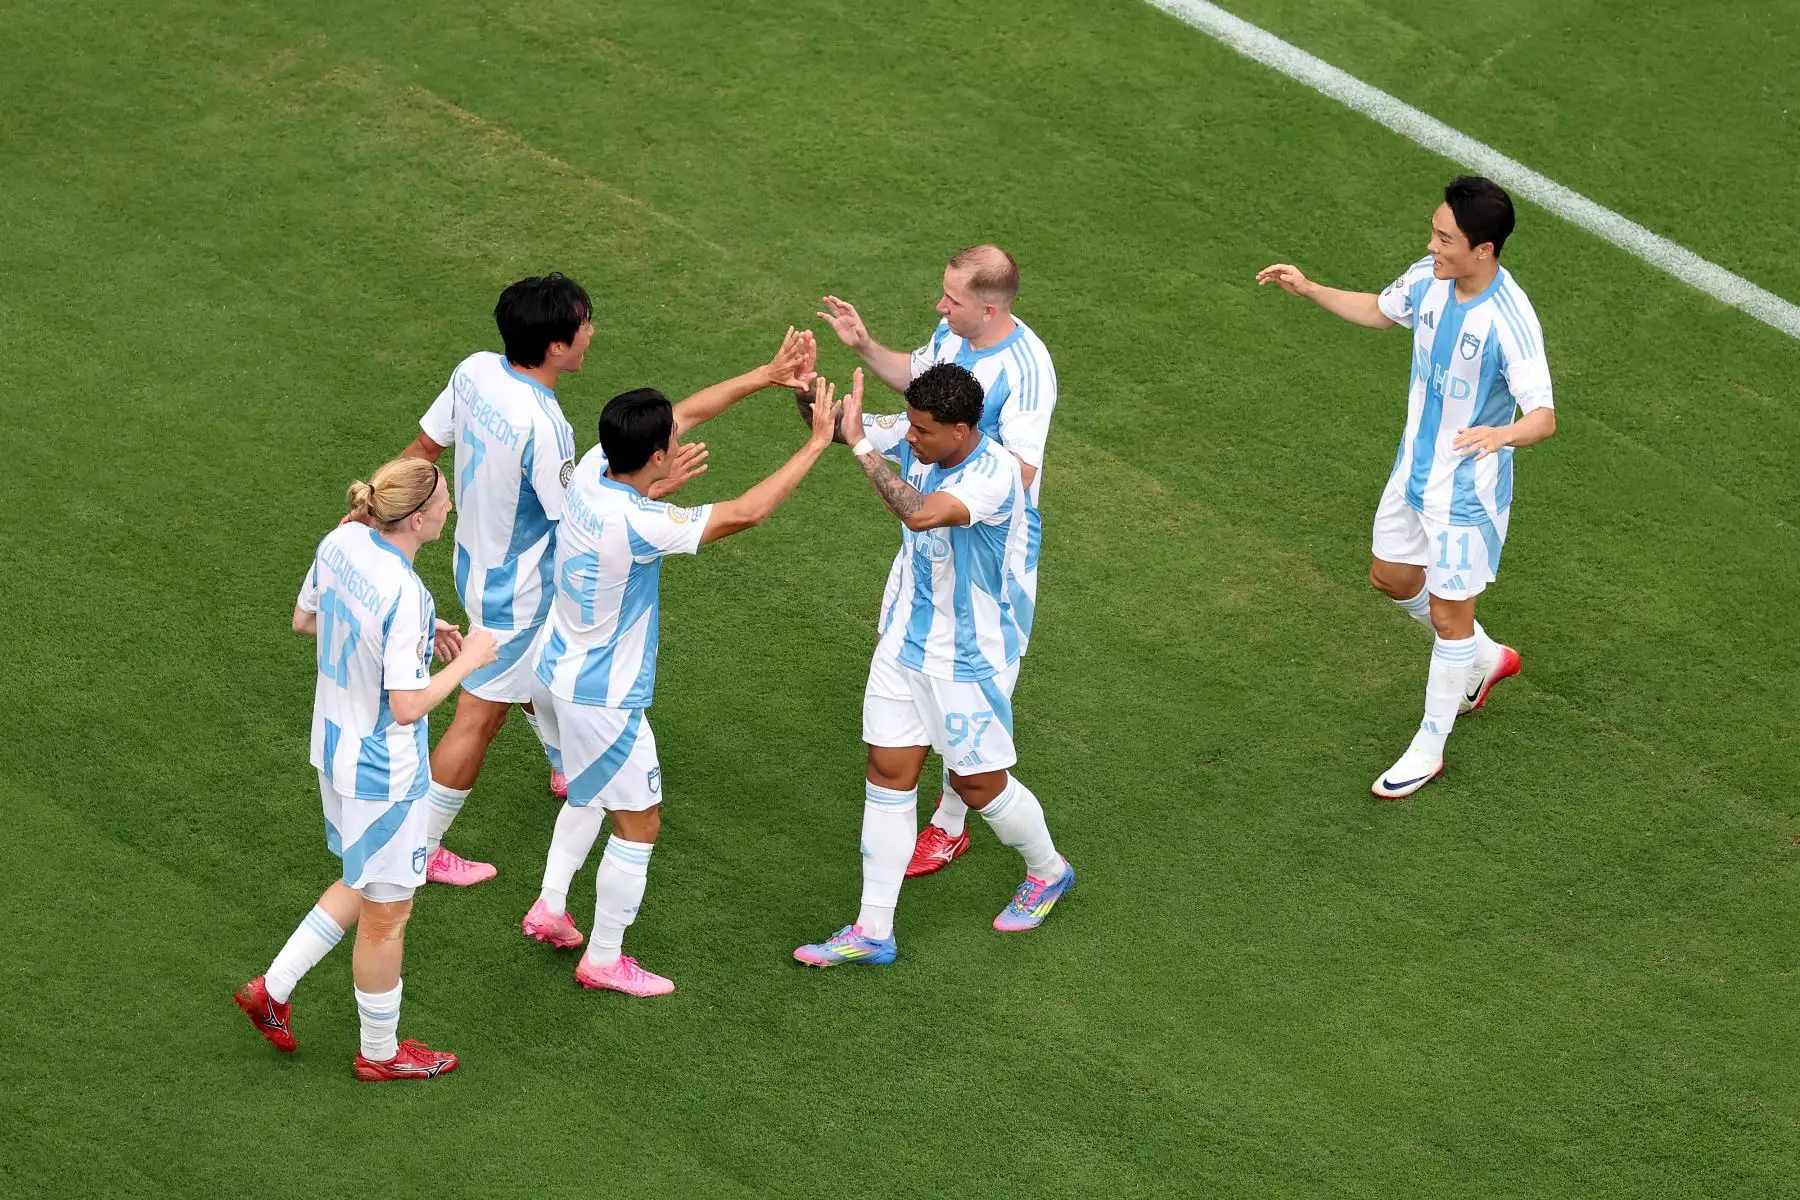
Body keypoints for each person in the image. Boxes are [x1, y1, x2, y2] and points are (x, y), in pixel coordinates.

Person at [519, 371, 842, 996]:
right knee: (638, 822)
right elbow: (746, 513)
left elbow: (686, 413)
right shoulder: (639, 525)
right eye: (670, 437)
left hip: (556, 669)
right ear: (658, 456)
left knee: (589, 792)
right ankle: (605, 959)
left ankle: (552, 904)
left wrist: (767, 375)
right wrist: (814, 443)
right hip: (603, 698)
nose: (679, 430)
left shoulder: (593, 470)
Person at [1256, 175, 1556, 798]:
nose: (1432, 244)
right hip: (1412, 471)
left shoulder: (1510, 320)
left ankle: (1430, 744)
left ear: (1485, 249)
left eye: (1445, 238)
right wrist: (1309, 288)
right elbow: (1378, 309)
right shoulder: (1430, 276)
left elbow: (1543, 417)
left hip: (1466, 496)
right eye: (1434, 231)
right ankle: (1486, 657)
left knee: (1449, 617)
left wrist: (1504, 435)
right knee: (1390, 577)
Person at [793, 364, 1074, 969]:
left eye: (922, 432)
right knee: (888, 772)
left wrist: (867, 449)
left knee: (977, 785)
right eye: (910, 428)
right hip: (903, 639)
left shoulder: (994, 476)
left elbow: (919, 512)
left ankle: (1048, 871)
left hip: (966, 658)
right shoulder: (926, 434)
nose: (912, 439)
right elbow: (848, 429)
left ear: (963, 429)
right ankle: (873, 931)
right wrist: (802, 390)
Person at [233, 458, 498, 1080]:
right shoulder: (406, 592)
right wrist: (469, 661)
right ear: (413, 518)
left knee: (363, 877)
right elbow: (407, 706)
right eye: (442, 504)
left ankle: (272, 989)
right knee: (387, 914)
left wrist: (408, 637)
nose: (449, 509)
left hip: (331, 748)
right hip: (383, 771)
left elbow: (307, 619)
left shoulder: (342, 539)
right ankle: (380, 1055)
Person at [815, 244, 1058, 877]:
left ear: (987, 304)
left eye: (950, 299)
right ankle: (878, 917)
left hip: (987, 557)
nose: (938, 305)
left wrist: (964, 483)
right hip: (930, 543)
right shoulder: (953, 337)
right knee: (906, 738)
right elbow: (922, 395)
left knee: (971, 748)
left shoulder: (1027, 369)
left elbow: (1022, 474)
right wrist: (862, 348)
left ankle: (963, 828)